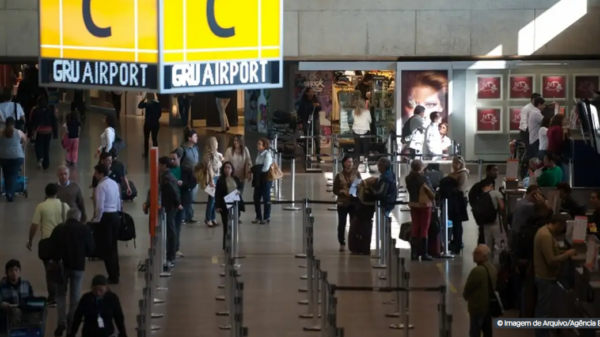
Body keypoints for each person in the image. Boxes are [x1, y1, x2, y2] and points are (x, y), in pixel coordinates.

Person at [50, 208, 95, 337]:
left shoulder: (59, 229)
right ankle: (71, 325)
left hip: (61, 266)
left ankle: (62, 321)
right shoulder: (85, 229)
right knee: (75, 296)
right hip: (78, 266)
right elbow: (91, 249)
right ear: (79, 217)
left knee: (61, 294)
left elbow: (51, 247)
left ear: (67, 217)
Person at [533, 214, 576, 337]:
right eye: (562, 227)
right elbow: (551, 260)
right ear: (558, 224)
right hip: (545, 277)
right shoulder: (545, 236)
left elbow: (552, 252)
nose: (562, 230)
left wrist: (564, 252)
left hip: (545, 277)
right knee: (543, 312)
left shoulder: (544, 231)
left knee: (544, 309)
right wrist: (567, 255)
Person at [27, 183, 69, 306]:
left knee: (50, 271)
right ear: (57, 193)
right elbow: (69, 223)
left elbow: (34, 225)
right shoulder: (64, 206)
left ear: (46, 193)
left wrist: (30, 240)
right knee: (61, 267)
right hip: (61, 242)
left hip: (47, 241)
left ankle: (52, 298)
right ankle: (62, 293)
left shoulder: (41, 206)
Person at [92, 164, 121, 284]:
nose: (94, 175)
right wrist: (119, 212)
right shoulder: (114, 183)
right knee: (114, 246)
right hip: (115, 215)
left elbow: (99, 206)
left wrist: (97, 219)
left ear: (101, 174)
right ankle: (116, 272)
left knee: (107, 248)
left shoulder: (101, 186)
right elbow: (119, 199)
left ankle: (112, 275)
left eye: (96, 173)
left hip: (106, 217)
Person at [463, 245, 496, 337]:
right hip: (488, 306)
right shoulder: (492, 269)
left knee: (475, 331)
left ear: (484, 256)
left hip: (477, 306)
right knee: (487, 331)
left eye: (477, 253)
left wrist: (465, 296)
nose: (474, 255)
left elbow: (468, 287)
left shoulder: (477, 271)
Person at [405, 159, 435, 261]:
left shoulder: (408, 178)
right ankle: (424, 253)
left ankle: (414, 253)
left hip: (413, 204)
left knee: (415, 227)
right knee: (424, 228)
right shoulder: (424, 178)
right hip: (424, 205)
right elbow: (431, 191)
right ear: (421, 167)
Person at [169, 150, 196, 258]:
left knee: (177, 227)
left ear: (179, 159)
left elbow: (193, 182)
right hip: (170, 202)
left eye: (174, 159)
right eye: (170, 159)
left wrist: (184, 184)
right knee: (171, 227)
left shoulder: (186, 171)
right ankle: (170, 249)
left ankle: (175, 249)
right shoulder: (167, 170)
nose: (171, 161)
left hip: (181, 202)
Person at [332, 155, 361, 252]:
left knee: (354, 223)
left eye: (351, 162)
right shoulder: (339, 176)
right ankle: (342, 242)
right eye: (348, 161)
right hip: (342, 203)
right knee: (342, 223)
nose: (350, 163)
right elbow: (335, 190)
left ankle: (353, 242)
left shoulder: (357, 174)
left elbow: (360, 186)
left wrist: (356, 192)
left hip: (353, 202)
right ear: (344, 163)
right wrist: (342, 192)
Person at [215, 161, 245, 250]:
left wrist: (239, 191)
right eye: (225, 168)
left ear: (232, 169)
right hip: (225, 205)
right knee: (226, 225)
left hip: (235, 204)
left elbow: (240, 187)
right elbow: (218, 194)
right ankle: (226, 244)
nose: (227, 170)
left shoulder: (236, 179)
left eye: (229, 168)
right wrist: (217, 206)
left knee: (234, 225)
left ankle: (234, 243)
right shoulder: (220, 180)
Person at [158, 156, 182, 268]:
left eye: (160, 165)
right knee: (171, 231)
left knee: (171, 231)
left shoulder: (166, 177)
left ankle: (170, 257)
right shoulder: (169, 176)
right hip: (171, 206)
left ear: (164, 165)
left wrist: (177, 204)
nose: (158, 167)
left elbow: (172, 192)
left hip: (169, 207)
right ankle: (170, 255)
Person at [0, 260, 34, 334]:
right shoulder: (2, 287)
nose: (14, 273)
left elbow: (32, 299)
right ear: (7, 273)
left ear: (19, 271)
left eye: (16, 270)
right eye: (11, 270)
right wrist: (3, 304)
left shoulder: (26, 285)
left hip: (25, 319)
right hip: (7, 321)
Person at [477, 179, 506, 264]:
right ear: (491, 185)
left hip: (486, 224)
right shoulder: (496, 193)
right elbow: (502, 206)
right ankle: (496, 266)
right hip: (496, 223)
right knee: (499, 245)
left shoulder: (480, 196)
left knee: (488, 245)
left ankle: (487, 266)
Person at [446, 156, 469, 254]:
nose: (455, 165)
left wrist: (449, 190)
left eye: (457, 163)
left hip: (459, 200)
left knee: (457, 224)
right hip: (454, 200)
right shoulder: (454, 173)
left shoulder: (463, 174)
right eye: (454, 163)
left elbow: (461, 188)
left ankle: (458, 244)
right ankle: (455, 241)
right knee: (454, 223)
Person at [0, 117, 26, 201]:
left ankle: (8, 191)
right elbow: (25, 140)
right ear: (14, 124)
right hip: (17, 156)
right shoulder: (18, 132)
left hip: (3, 156)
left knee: (6, 175)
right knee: (14, 175)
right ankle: (10, 193)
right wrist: (21, 146)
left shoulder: (1, 132)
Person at [29, 95, 57, 170]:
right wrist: (55, 134)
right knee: (46, 147)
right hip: (48, 131)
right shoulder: (50, 110)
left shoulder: (35, 110)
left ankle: (40, 157)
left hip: (39, 131)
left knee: (38, 145)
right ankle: (46, 163)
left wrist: (30, 132)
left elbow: (31, 121)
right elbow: (54, 122)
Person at [201, 136, 223, 227]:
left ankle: (213, 218)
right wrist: (211, 181)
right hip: (212, 178)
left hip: (217, 177)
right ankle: (208, 218)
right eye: (216, 142)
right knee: (211, 200)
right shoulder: (209, 155)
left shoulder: (216, 154)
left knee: (215, 200)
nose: (218, 144)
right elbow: (210, 169)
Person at [251, 138, 274, 224]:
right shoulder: (259, 154)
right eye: (258, 144)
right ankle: (258, 216)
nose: (258, 145)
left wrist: (256, 170)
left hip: (265, 179)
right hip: (258, 179)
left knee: (266, 198)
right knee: (256, 198)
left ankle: (266, 216)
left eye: (260, 144)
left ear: (264, 146)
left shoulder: (267, 155)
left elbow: (265, 168)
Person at [180, 128, 200, 224]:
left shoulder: (196, 149)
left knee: (193, 197)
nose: (197, 138)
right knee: (185, 197)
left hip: (194, 177)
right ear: (189, 138)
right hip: (186, 177)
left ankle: (190, 216)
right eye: (195, 136)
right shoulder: (182, 149)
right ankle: (182, 217)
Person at [297, 87, 322, 162]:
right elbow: (300, 112)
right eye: (310, 92)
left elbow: (320, 108)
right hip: (306, 120)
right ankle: (307, 155)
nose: (311, 93)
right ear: (306, 93)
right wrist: (301, 121)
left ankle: (318, 155)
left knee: (317, 138)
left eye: (312, 92)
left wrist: (318, 106)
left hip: (315, 120)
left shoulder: (316, 100)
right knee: (306, 138)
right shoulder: (303, 101)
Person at [138, 93, 162, 158]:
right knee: (154, 139)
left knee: (146, 139)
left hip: (148, 123)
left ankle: (146, 154)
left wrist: (144, 98)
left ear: (148, 97)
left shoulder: (148, 104)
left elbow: (139, 106)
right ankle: (155, 153)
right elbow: (160, 114)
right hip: (156, 123)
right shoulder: (158, 104)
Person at [351, 98, 372, 169]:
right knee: (366, 149)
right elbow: (370, 120)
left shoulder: (353, 111)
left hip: (355, 131)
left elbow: (353, 119)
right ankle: (367, 166)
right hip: (365, 131)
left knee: (357, 148)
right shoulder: (367, 112)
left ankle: (356, 165)